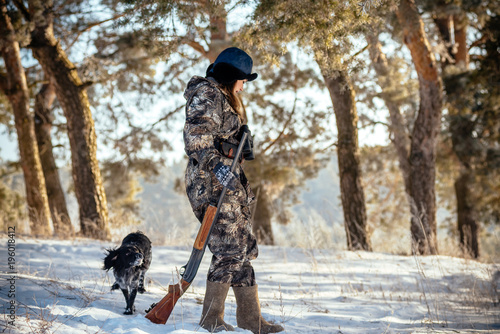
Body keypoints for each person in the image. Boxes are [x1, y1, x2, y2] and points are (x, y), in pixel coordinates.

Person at [183, 47, 284, 334]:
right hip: (211, 182)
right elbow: (197, 139)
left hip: (228, 181)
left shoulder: (224, 98)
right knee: (229, 247)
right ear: (231, 76)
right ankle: (211, 320)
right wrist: (219, 165)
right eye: (242, 79)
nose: (244, 86)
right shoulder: (207, 94)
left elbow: (216, 137)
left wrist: (237, 141)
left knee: (242, 247)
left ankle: (252, 321)